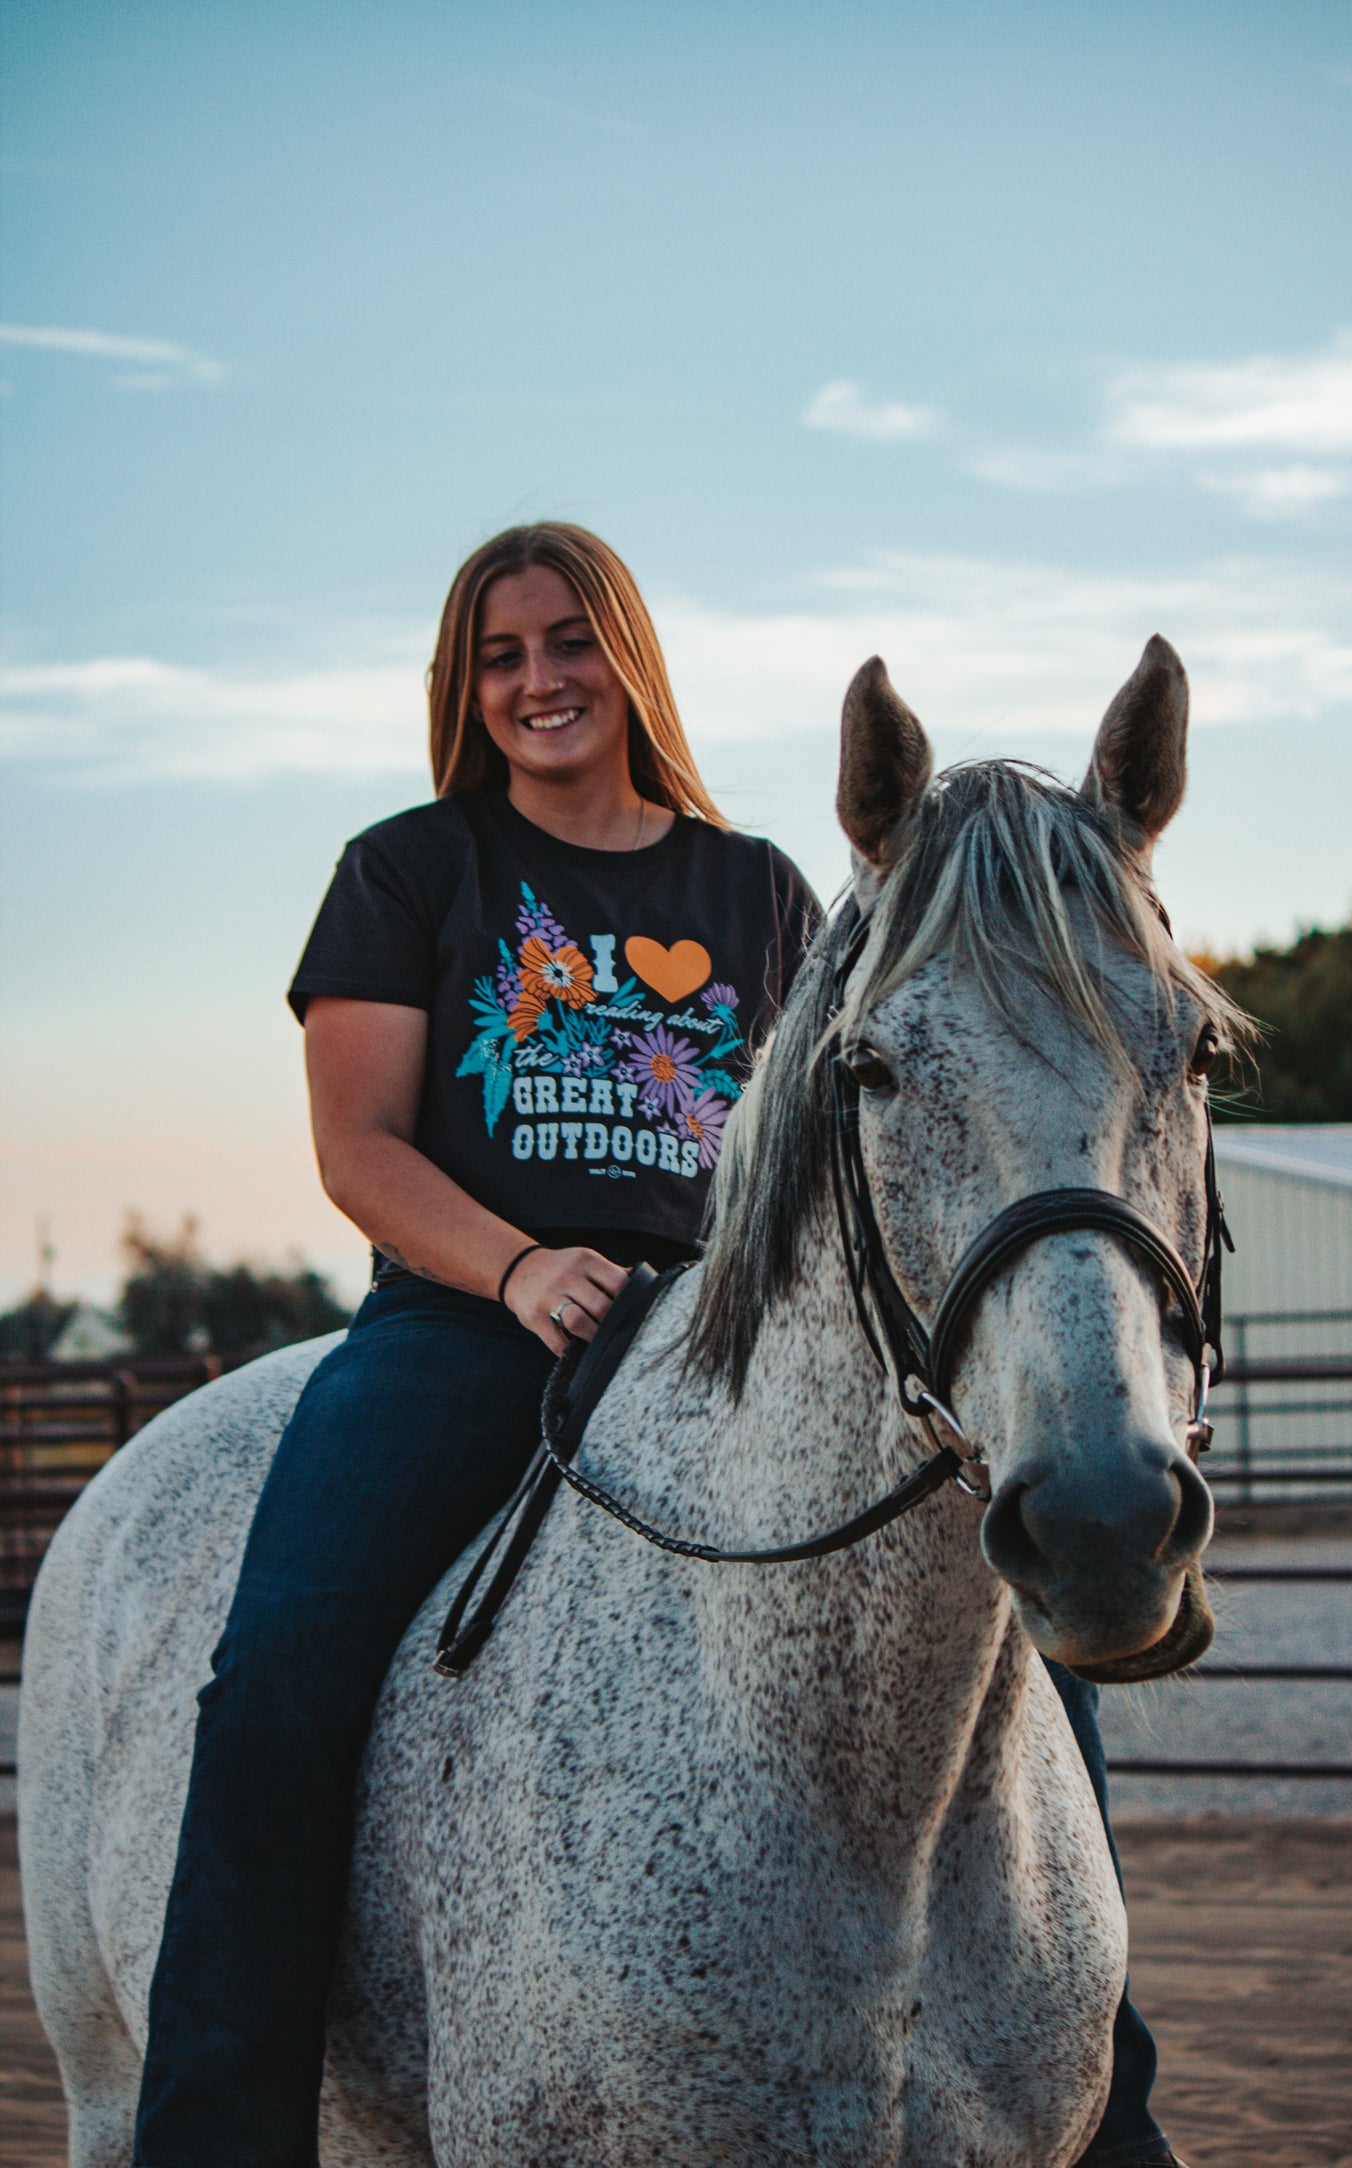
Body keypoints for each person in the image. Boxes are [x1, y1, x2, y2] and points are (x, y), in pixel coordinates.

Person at [133, 520, 1184, 2167]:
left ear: (624, 658)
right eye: (500, 656)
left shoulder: (754, 885)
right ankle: (220, 2131)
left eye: (567, 643)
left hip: (728, 1333)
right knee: (278, 1672)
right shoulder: (410, 869)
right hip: (473, 1324)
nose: (538, 681)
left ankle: (1102, 2111)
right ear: (463, 687)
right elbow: (360, 1152)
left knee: (1021, 1638)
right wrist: (517, 1266)